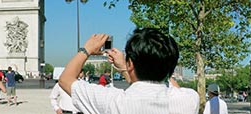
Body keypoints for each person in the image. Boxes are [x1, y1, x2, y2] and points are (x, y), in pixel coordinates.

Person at [58, 28, 200, 113]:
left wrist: (86, 49)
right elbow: (168, 82)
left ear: (131, 63)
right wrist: (128, 68)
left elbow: (66, 79)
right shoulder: (189, 99)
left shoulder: (112, 102)